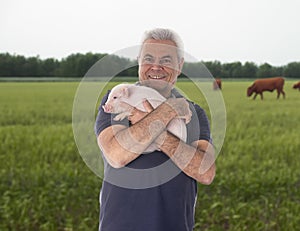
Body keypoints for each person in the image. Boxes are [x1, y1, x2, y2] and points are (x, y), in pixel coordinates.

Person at [94, 28, 216, 231]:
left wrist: (156, 133)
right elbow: (116, 155)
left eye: (166, 60)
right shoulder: (118, 98)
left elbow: (205, 172)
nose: (156, 67)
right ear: (139, 62)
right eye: (148, 58)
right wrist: (171, 110)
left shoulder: (194, 113)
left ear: (180, 66)